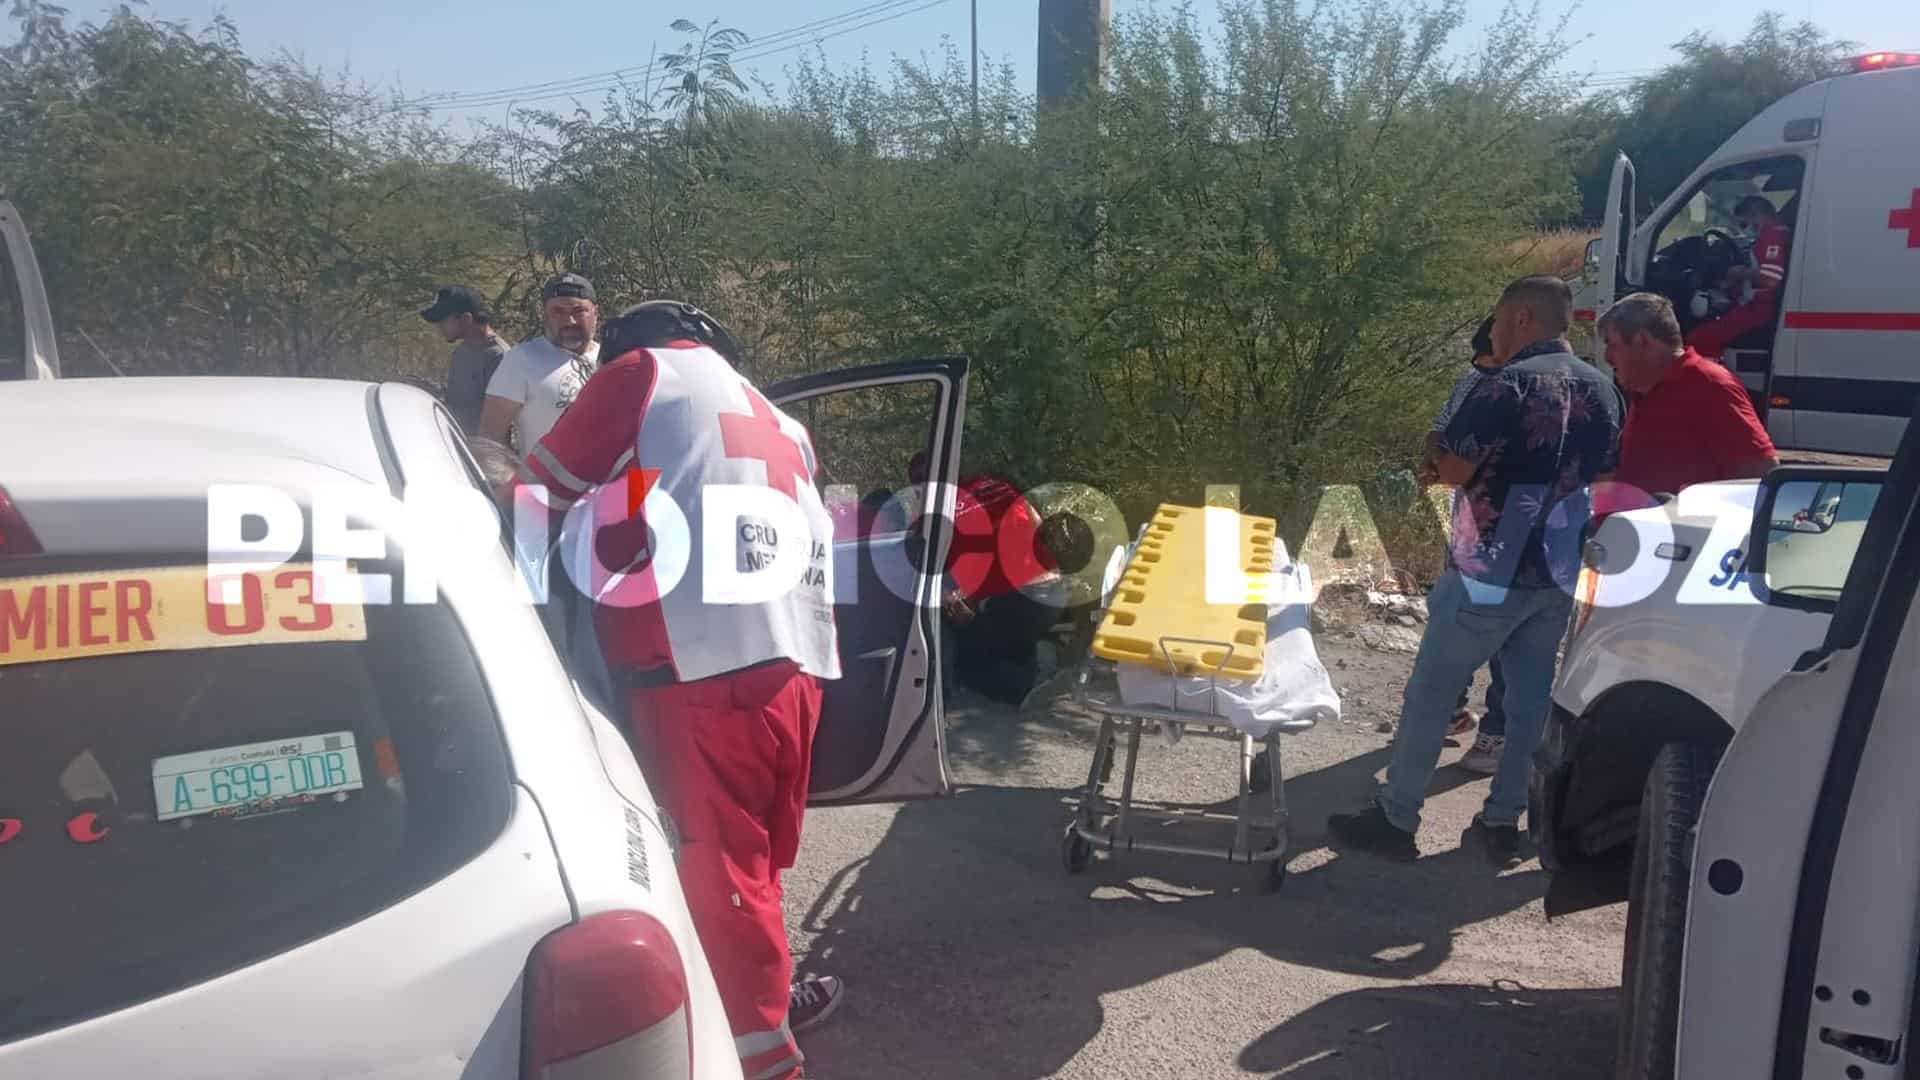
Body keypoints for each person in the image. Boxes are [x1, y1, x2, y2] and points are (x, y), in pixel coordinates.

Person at [521, 299, 841, 1080]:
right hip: (797, 674)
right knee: (752, 870)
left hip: (700, 677)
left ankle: (762, 1059)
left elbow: (539, 495)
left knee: (717, 879)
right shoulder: (776, 417)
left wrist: (522, 609)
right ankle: (765, 992)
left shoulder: (640, 374)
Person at [1328, 275, 1625, 866]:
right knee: (1529, 700)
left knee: (1434, 690)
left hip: (1487, 567)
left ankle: (1397, 817)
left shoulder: (1505, 386)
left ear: (1519, 318)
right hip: (1558, 570)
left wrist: (1435, 453)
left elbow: (1455, 471)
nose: (1492, 330)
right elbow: (1605, 483)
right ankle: (1502, 820)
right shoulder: (1605, 390)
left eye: (1496, 318)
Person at [1419, 315, 1506, 773]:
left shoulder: (1518, 386)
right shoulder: (1478, 381)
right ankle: (1452, 713)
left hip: (1512, 542)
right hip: (1471, 530)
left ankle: (1493, 734)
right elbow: (1439, 429)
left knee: (1501, 639)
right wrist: (1434, 456)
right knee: (1457, 623)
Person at [906, 453, 1064, 703]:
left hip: (1016, 604)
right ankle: (1032, 650)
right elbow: (1036, 524)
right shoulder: (994, 485)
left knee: (964, 660)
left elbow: (922, 564)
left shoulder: (934, 515)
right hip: (1055, 590)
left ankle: (1030, 678)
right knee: (988, 628)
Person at [1605, 292, 1778, 501]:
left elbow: (1758, 474)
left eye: (1612, 345)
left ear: (1643, 340)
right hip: (1634, 529)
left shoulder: (1711, 386)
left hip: (1685, 531)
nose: (1607, 357)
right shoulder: (1645, 388)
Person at [479, 273, 601, 449]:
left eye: (579, 311)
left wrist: (639, 478)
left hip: (616, 477)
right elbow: (489, 438)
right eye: (558, 311)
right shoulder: (521, 360)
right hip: (544, 476)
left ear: (596, 312)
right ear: (545, 314)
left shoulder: (616, 359)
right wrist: (506, 477)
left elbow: (635, 441)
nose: (569, 320)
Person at [1687, 195, 1793, 360]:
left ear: (1757, 215)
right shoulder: (1779, 231)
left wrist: (1740, 272)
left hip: (1759, 309)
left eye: (1744, 223)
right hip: (1757, 305)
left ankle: (1710, 380)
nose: (1745, 229)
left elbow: (1771, 279)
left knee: (1696, 340)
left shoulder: (1772, 235)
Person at [420, 285, 510, 435]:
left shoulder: (499, 356)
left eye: (443, 321)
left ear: (466, 318)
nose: (439, 328)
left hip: (481, 453)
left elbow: (500, 423)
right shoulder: (461, 352)